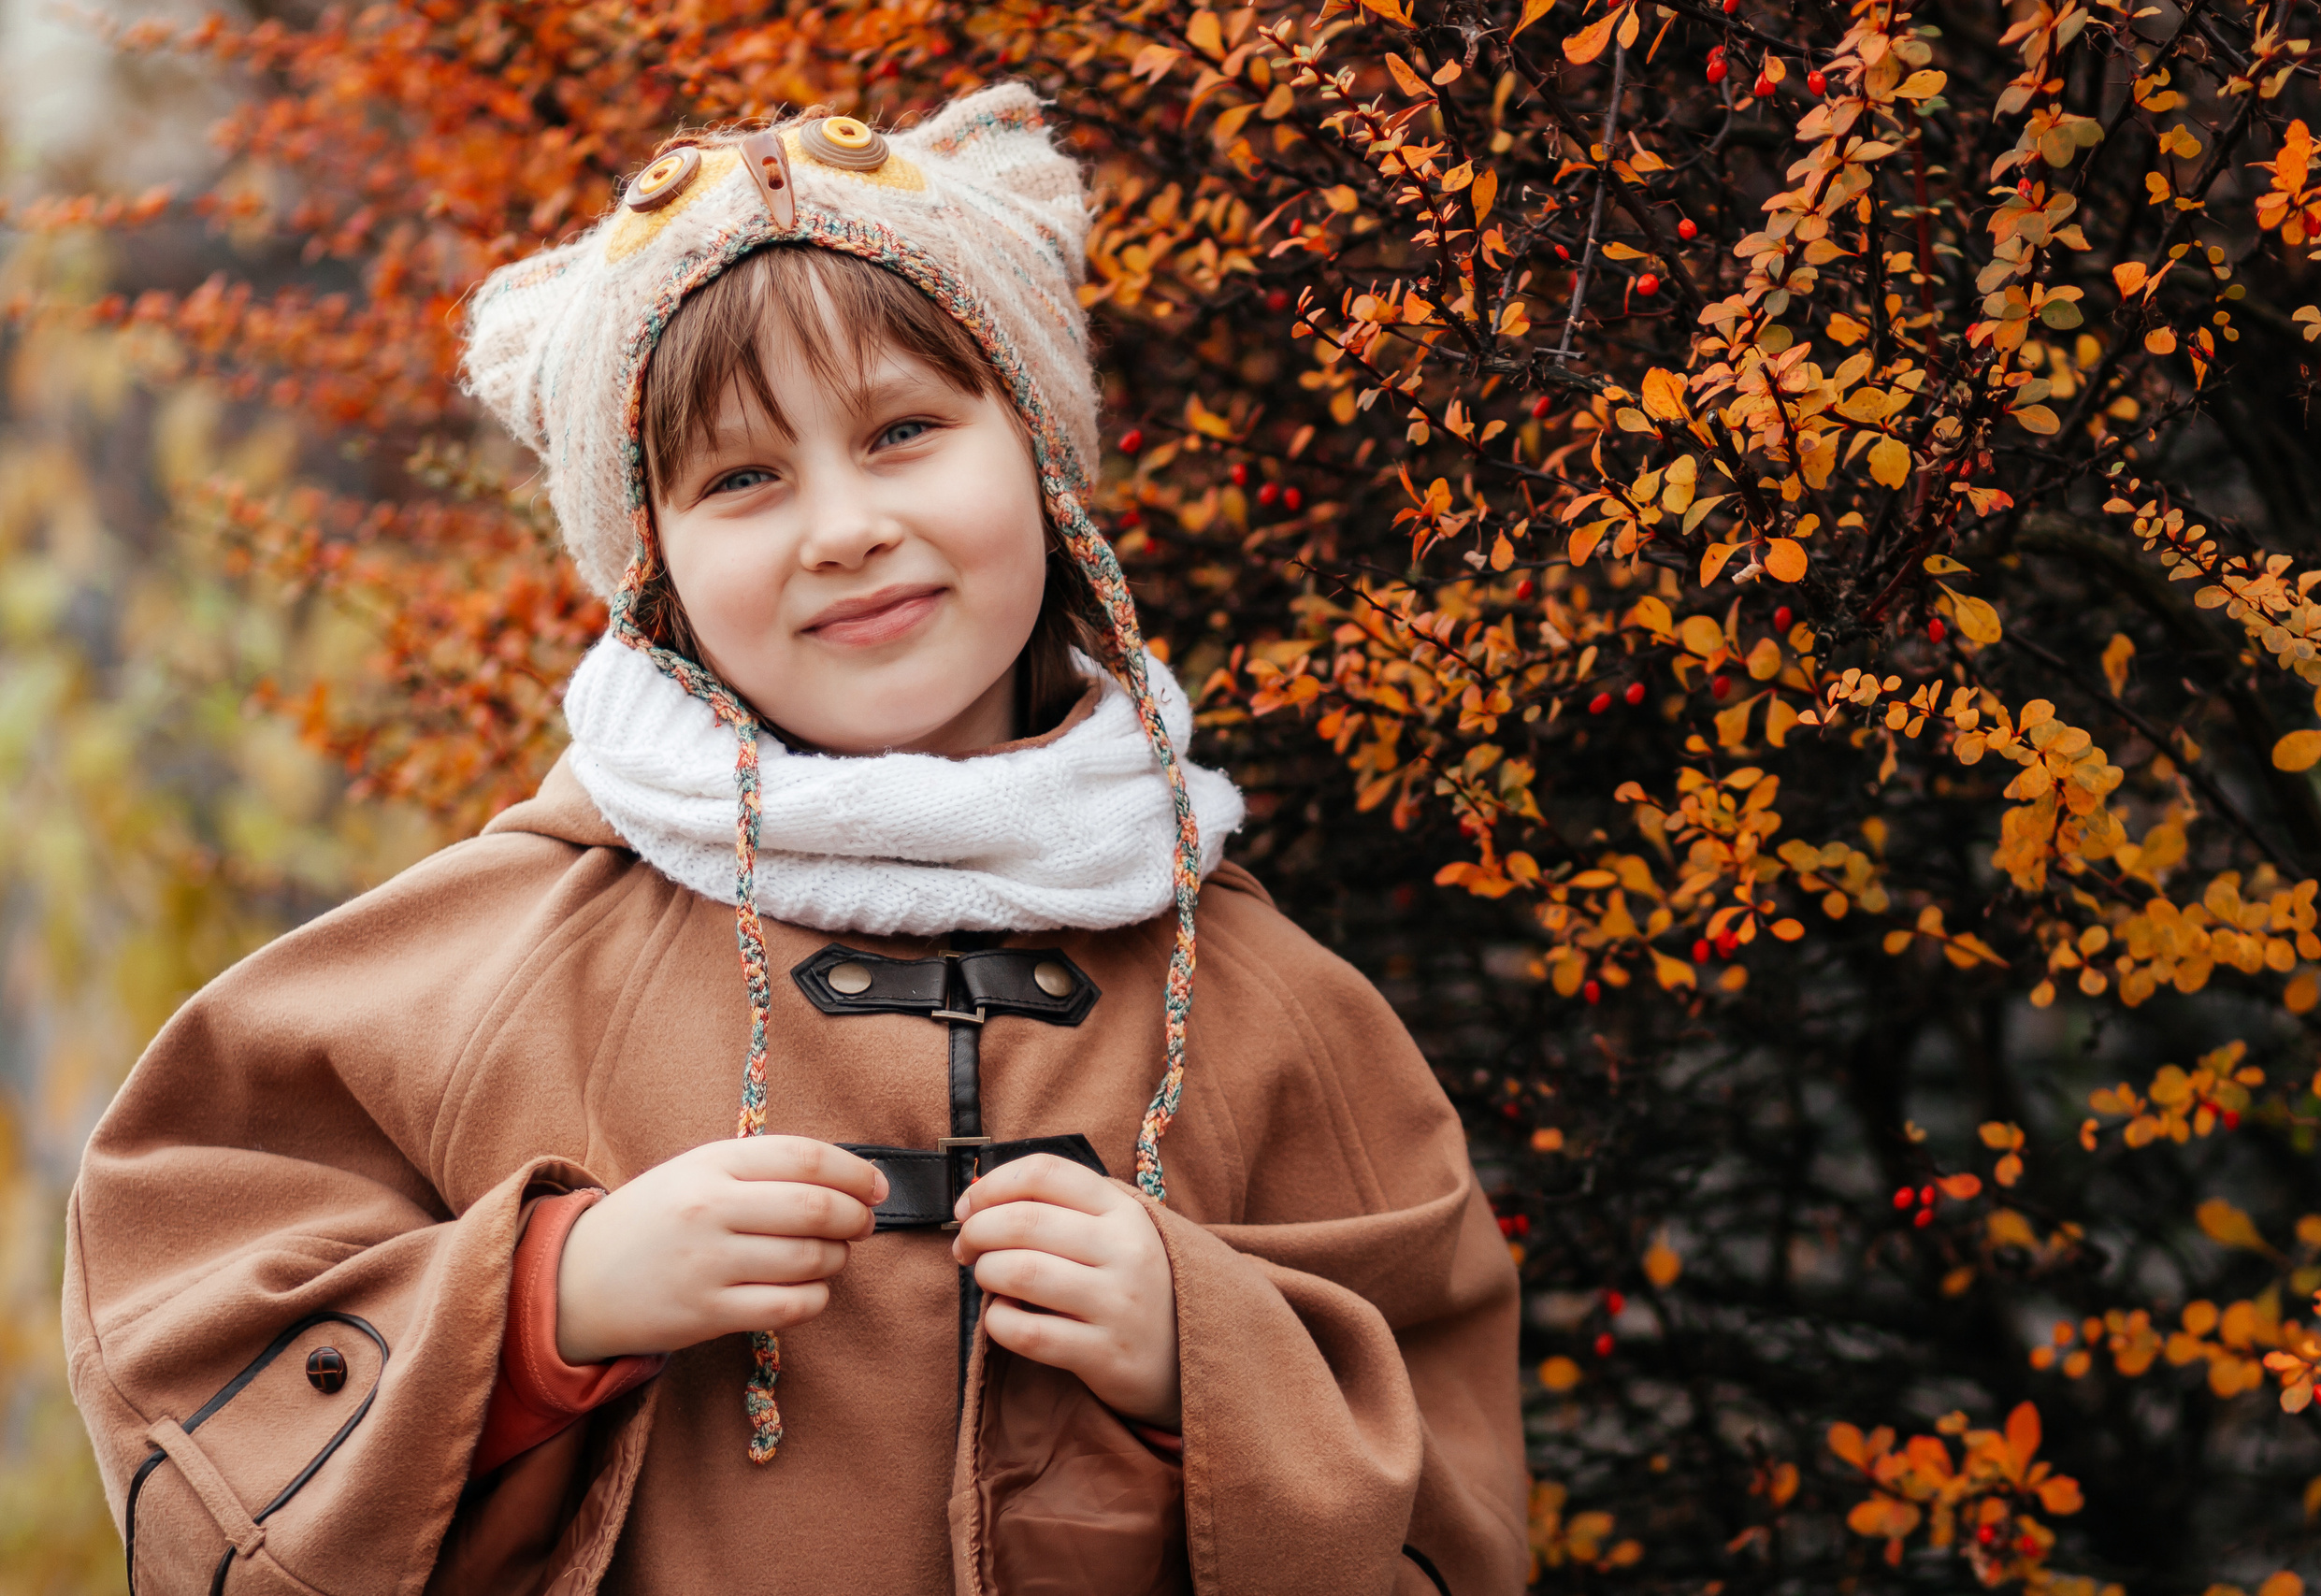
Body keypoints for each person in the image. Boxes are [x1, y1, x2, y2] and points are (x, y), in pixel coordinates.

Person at [63, 84, 1527, 1595]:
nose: (841, 526)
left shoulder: (1274, 1010)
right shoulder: (495, 958)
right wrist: (550, 1303)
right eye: (743, 479)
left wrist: (1204, 1363)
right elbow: (186, 1372)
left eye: (904, 432)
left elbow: (1458, 1525)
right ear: (657, 578)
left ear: (1041, 461)